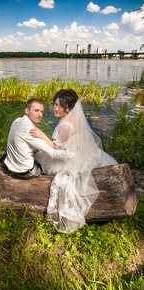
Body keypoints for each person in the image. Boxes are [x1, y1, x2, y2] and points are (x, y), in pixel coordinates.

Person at [30, 89, 118, 233]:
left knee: (40, 157)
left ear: (69, 108)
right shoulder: (73, 118)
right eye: (55, 104)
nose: (56, 108)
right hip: (78, 152)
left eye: (60, 106)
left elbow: (57, 147)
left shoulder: (66, 125)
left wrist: (42, 136)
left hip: (69, 158)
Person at [0, 98, 72, 180]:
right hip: (24, 172)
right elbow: (52, 153)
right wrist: (72, 155)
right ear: (27, 111)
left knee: (40, 152)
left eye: (41, 112)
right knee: (49, 161)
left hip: (10, 166)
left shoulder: (17, 121)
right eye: (36, 110)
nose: (40, 115)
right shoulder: (29, 131)